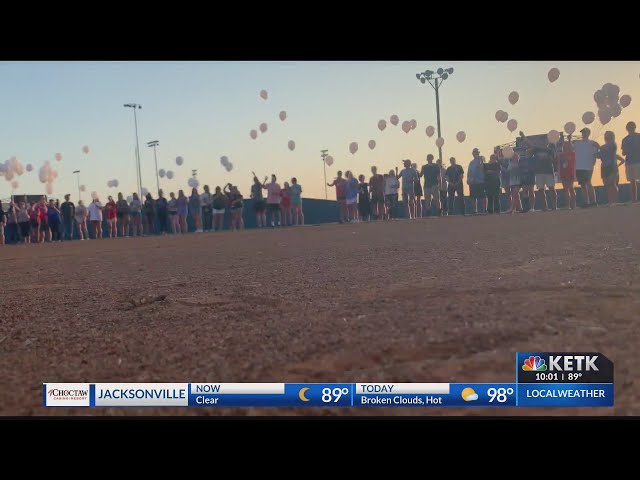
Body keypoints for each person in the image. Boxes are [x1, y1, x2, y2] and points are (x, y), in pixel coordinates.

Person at [597, 130, 625, 205]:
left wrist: (599, 147)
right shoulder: (603, 147)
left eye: (607, 135)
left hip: (611, 166)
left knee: (612, 184)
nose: (606, 137)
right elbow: (598, 155)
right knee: (607, 185)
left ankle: (615, 201)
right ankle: (610, 201)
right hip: (604, 167)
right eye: (605, 135)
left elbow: (606, 149)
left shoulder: (613, 144)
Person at [573, 127, 599, 207]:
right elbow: (570, 147)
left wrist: (593, 162)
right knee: (583, 185)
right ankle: (586, 202)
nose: (583, 134)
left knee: (588, 183)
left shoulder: (592, 143)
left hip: (588, 166)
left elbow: (595, 153)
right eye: (582, 133)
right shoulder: (577, 143)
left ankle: (593, 201)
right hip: (579, 166)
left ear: (588, 133)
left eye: (585, 132)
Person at [531, 143, 558, 211]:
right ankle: (544, 206)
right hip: (539, 173)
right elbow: (529, 145)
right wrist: (523, 137)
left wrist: (556, 170)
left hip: (548, 172)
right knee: (541, 190)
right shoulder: (536, 150)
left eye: (544, 141)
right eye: (541, 141)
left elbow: (554, 158)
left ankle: (554, 206)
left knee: (551, 189)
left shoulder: (550, 150)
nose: (542, 143)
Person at [621, 121, 640, 203]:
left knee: (632, 182)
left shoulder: (625, 139)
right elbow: (623, 152)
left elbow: (623, 152)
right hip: (631, 162)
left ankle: (634, 199)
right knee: (632, 181)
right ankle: (634, 199)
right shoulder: (626, 139)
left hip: (633, 161)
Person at [558, 138, 577, 210]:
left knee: (571, 188)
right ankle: (568, 205)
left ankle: (574, 205)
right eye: (564, 146)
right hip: (563, 173)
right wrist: (559, 174)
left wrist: (569, 140)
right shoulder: (561, 155)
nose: (565, 147)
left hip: (570, 173)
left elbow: (572, 145)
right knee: (565, 189)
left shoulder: (573, 154)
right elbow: (559, 165)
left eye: (567, 145)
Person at [467, 148, 487, 214]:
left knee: (482, 196)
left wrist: (480, 160)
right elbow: (469, 171)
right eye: (474, 152)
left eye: (476, 152)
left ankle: (485, 209)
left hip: (480, 181)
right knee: (473, 197)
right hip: (472, 181)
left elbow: (482, 167)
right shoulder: (471, 162)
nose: (475, 153)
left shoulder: (482, 159)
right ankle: (474, 210)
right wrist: (468, 179)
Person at [519, 147, 537, 212]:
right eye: (527, 152)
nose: (528, 153)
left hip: (531, 178)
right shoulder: (522, 160)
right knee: (524, 193)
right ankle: (525, 208)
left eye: (529, 152)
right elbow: (520, 168)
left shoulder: (533, 159)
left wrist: (529, 170)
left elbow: (534, 168)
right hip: (524, 179)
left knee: (531, 192)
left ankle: (532, 208)